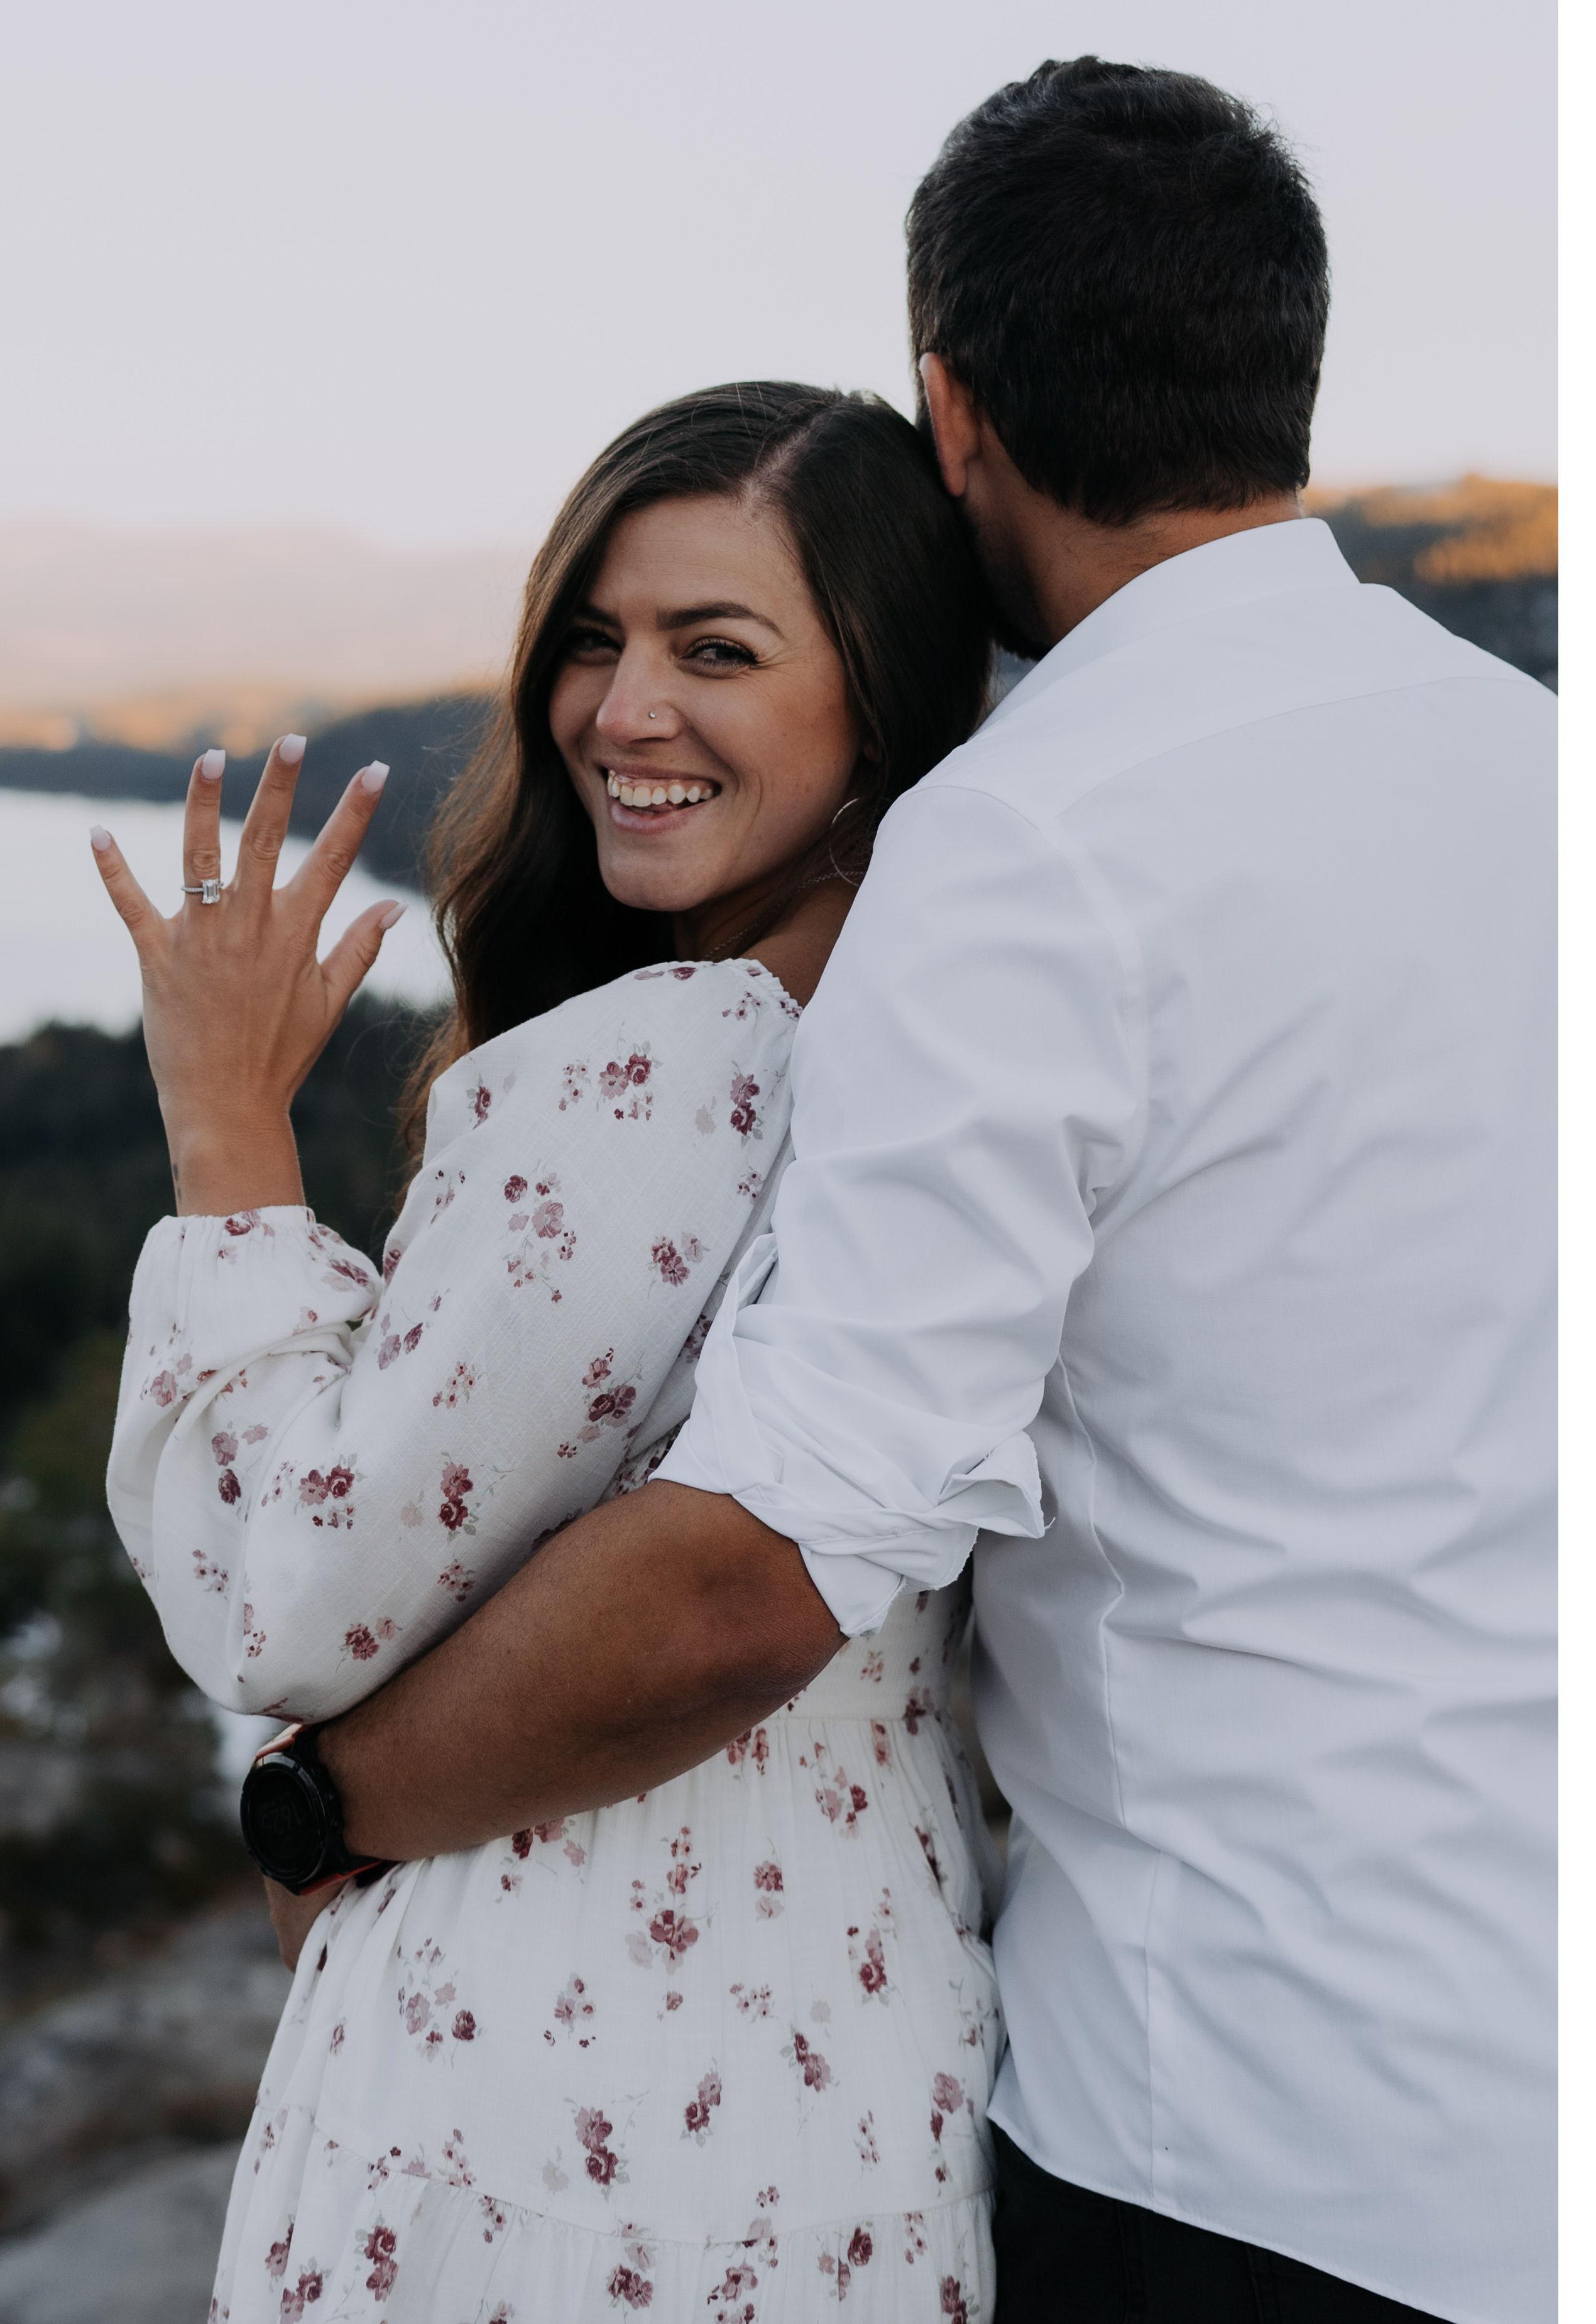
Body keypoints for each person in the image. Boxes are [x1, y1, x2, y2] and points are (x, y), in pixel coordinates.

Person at [283, 60, 1560, 2324]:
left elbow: (764, 1563)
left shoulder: (1039, 831)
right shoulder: (1549, 770)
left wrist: (326, 1803)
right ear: (1284, 374)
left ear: (951, 410)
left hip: (1244, 2139)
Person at [90, 381, 1006, 2323]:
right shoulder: (952, 1058)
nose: (621, 709)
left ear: (882, 703)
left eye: (716, 650)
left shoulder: (665, 1068)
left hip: (548, 2107)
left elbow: (290, 1591)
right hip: (859, 2082)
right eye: (593, 638)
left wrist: (225, 1128)